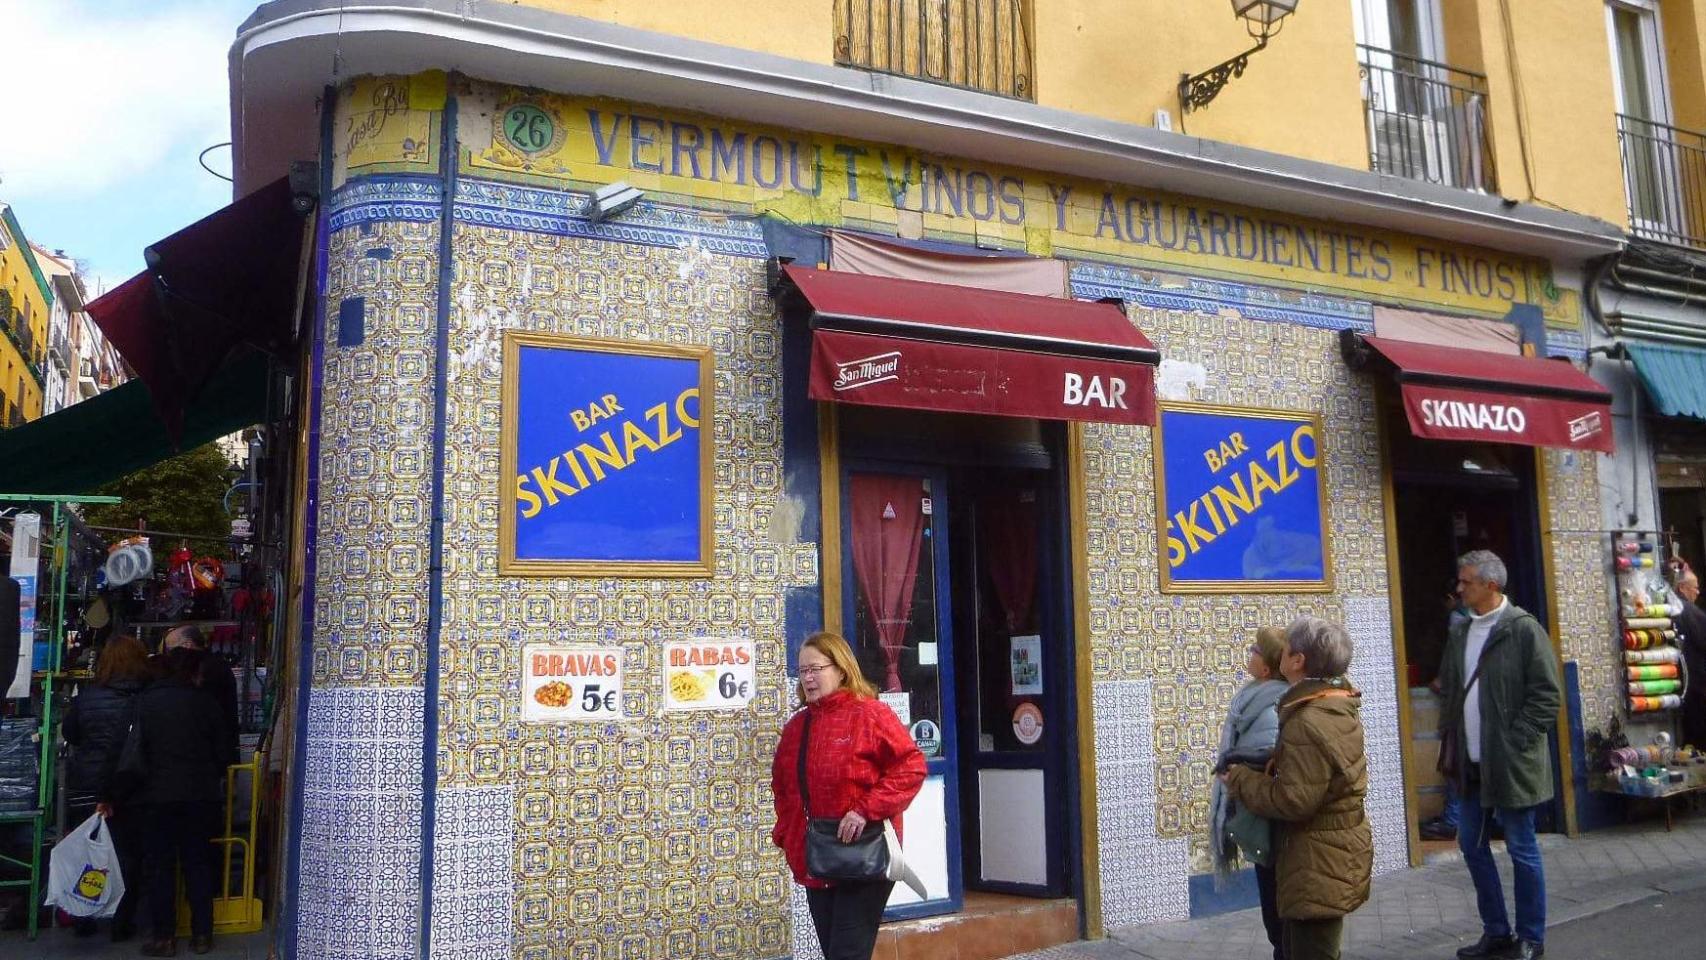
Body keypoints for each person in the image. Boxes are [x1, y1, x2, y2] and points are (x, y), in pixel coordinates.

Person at [1222, 616, 1372, 960]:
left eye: (1285, 650)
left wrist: (1242, 780)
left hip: (1316, 860)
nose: (1279, 657)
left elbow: (1295, 799)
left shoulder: (1308, 717)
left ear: (1297, 660)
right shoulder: (1331, 702)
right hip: (1325, 854)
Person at [770, 632, 926, 960]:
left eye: (816, 668)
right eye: (803, 671)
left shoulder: (870, 715)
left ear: (841, 670)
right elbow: (784, 789)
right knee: (835, 952)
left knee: (846, 954)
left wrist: (865, 810)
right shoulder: (796, 728)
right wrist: (786, 836)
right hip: (817, 859)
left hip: (863, 857)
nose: (808, 678)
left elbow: (910, 767)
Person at [1438, 550, 1561, 960]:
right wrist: (1448, 732)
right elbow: (1453, 688)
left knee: (1522, 848)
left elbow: (1548, 696)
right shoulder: (1460, 631)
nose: (1459, 588)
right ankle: (1496, 931)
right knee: (1472, 847)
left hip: (1510, 764)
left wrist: (1516, 739)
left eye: (1467, 581)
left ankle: (1531, 936)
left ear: (1491, 585)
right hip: (1471, 765)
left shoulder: (1523, 630)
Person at [130, 646, 230, 956]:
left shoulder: (146, 704)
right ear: (192, 672)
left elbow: (134, 750)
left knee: (160, 867)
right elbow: (224, 753)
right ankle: (202, 934)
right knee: (197, 863)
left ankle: (164, 936)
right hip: (200, 796)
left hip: (157, 796)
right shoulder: (207, 704)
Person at [62, 635, 152, 941]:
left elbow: (71, 732)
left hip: (86, 784)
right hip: (129, 785)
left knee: (86, 851)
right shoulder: (142, 698)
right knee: (129, 856)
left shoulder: (87, 696)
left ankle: (83, 915)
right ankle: (122, 921)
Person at [1210, 626, 1289, 960]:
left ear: (1267, 667)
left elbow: (1271, 768)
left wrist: (1236, 778)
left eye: (1255, 650)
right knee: (1274, 916)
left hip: (1274, 829)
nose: (1250, 654)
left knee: (1279, 916)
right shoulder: (1254, 699)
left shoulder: (1271, 707)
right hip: (1261, 826)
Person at [1422, 582, 1472, 842]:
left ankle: (1452, 819)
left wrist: (1442, 679)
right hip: (1465, 709)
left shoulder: (1459, 619)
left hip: (1462, 709)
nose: (1460, 589)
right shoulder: (1469, 620)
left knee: (1456, 763)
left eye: (1466, 583)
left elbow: (1455, 660)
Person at [163, 625, 239, 766]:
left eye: (170, 649)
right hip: (215, 754)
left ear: (187, 645)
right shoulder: (218, 666)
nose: (168, 655)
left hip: (203, 755)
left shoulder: (204, 671)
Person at [1676, 565, 1706, 751]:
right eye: (1694, 587)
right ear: (1682, 588)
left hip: (1682, 683)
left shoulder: (1673, 608)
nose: (1698, 591)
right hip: (1697, 683)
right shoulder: (1690, 612)